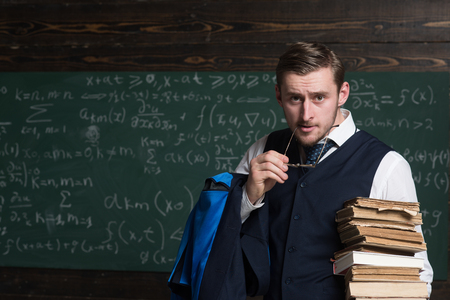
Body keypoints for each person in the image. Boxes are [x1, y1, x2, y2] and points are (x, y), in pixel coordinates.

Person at [235, 41, 433, 299]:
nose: (306, 114)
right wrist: (248, 197)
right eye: (295, 98)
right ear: (279, 95)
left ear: (342, 94)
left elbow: (416, 273)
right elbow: (216, 237)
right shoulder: (261, 150)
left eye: (319, 97)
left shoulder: (387, 166)